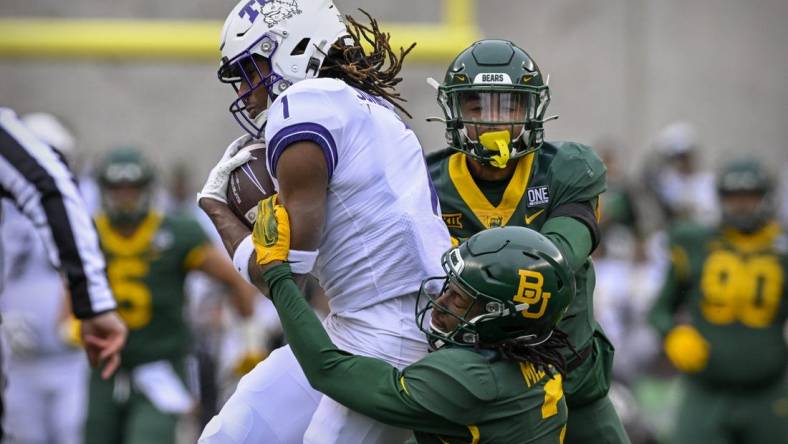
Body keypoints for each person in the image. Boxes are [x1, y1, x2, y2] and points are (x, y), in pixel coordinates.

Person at [197, 1, 450, 442]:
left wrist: (217, 207)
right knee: (231, 434)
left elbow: (286, 281)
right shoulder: (356, 105)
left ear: (291, 48)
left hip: (392, 336)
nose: (245, 89)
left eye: (251, 67)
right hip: (360, 323)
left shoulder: (305, 102)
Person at [426, 40, 629, 443]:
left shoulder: (566, 168)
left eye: (509, 106)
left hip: (567, 380)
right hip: (468, 386)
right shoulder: (425, 181)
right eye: (477, 107)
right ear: (455, 111)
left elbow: (559, 255)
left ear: (531, 110)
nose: (493, 122)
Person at [256, 213, 576, 442]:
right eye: (451, 284)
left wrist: (277, 274)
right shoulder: (538, 356)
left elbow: (328, 370)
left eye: (460, 298)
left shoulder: (471, 377)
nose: (442, 299)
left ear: (499, 316)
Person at [83, 147, 260, 444]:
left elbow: (236, 279)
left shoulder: (176, 232)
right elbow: (69, 288)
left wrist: (249, 337)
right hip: (105, 366)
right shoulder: (89, 233)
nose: (125, 197)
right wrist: (69, 322)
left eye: (132, 189)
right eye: (117, 189)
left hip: (160, 365)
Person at [0, 108, 126, 439]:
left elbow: (91, 261)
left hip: (69, 356)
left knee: (71, 433)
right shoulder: (8, 211)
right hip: (17, 357)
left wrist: (80, 310)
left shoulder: (79, 200)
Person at [648, 159, 787, 444]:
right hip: (705, 389)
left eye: (750, 196)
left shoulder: (781, 250)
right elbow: (659, 310)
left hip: (769, 389)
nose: (741, 205)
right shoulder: (695, 243)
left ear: (765, 198)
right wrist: (673, 333)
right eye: (733, 196)